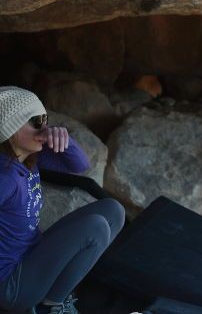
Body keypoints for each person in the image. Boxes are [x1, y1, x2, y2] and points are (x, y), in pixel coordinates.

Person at [0, 86, 125, 314]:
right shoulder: (5, 177)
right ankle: (51, 306)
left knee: (113, 210)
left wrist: (61, 138)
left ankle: (51, 296)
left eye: (45, 118)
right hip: (12, 286)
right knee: (94, 227)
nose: (45, 128)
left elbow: (79, 165)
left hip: (32, 255)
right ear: (11, 130)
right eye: (36, 121)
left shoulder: (27, 158)